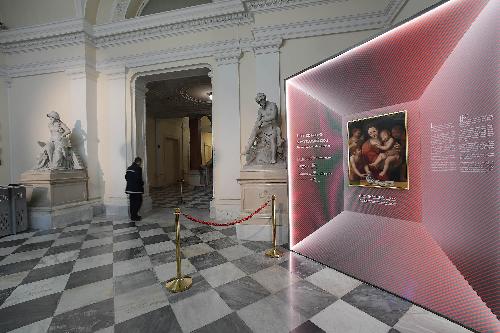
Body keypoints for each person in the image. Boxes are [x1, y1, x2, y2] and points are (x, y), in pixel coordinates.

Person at [244, 93, 283, 164]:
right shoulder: (260, 110)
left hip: (273, 127)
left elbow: (273, 116)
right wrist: (256, 126)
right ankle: (248, 148)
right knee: (254, 132)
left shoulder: (272, 105)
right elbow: (258, 120)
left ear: (264, 99)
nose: (260, 104)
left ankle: (273, 159)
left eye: (261, 101)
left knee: (272, 140)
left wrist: (262, 120)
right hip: (265, 128)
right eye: (259, 103)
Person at [125, 157, 144, 221]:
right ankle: (134, 216)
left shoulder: (129, 168)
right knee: (139, 201)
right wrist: (142, 183)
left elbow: (126, 177)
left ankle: (132, 216)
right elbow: (138, 178)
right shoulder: (138, 168)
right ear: (139, 162)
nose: (141, 164)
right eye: (140, 162)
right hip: (136, 189)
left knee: (132, 202)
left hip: (130, 189)